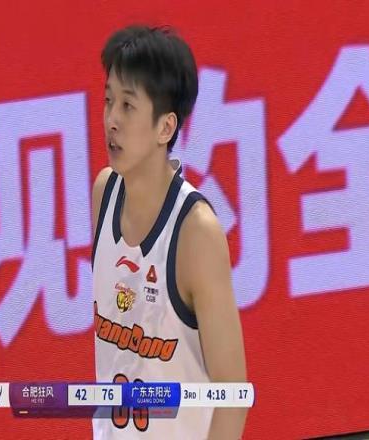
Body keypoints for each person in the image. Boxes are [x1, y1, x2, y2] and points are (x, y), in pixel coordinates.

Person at [91, 25, 247, 439]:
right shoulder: (104, 193)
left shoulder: (196, 232)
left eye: (128, 105)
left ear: (165, 128)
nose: (111, 120)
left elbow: (234, 394)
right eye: (108, 100)